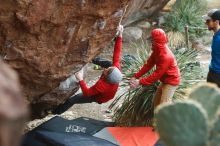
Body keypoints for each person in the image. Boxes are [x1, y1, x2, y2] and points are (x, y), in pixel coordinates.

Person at [53, 25, 124, 114]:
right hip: (109, 85)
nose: (106, 69)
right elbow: (117, 53)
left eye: (106, 71)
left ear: (106, 77)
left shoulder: (101, 86)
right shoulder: (115, 69)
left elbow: (87, 93)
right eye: (109, 69)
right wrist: (120, 35)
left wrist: (80, 79)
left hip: (99, 97)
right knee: (109, 63)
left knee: (73, 100)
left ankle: (55, 111)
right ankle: (92, 58)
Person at [129, 28, 180, 108]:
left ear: (157, 42)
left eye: (153, 40)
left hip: (171, 82)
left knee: (164, 106)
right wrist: (136, 76)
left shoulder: (166, 56)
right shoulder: (157, 50)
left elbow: (157, 75)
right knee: (156, 103)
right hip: (164, 81)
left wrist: (139, 82)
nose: (151, 42)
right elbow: (148, 65)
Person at [203, 9, 220, 87]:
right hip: (212, 71)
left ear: (216, 22)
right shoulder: (216, 35)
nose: (205, 23)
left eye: (208, 21)